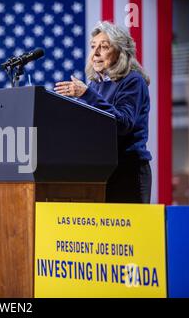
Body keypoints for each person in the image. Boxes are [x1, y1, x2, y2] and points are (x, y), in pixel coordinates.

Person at [54, 21, 152, 203]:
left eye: (104, 47)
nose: (96, 53)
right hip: (100, 169)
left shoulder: (132, 81)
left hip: (128, 170)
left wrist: (86, 94)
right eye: (93, 47)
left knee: (128, 232)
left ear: (121, 52)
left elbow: (123, 124)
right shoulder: (96, 85)